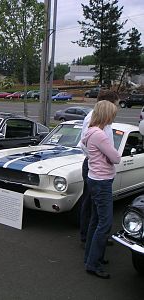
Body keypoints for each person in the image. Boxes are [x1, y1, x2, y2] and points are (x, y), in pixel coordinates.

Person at [82, 100, 121, 279]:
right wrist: (109, 155)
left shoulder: (91, 131)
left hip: (94, 179)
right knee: (104, 224)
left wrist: (106, 156)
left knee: (95, 220)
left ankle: (90, 256)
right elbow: (116, 158)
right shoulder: (100, 135)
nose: (114, 117)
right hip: (102, 182)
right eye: (112, 114)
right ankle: (93, 263)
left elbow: (96, 153)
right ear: (106, 115)